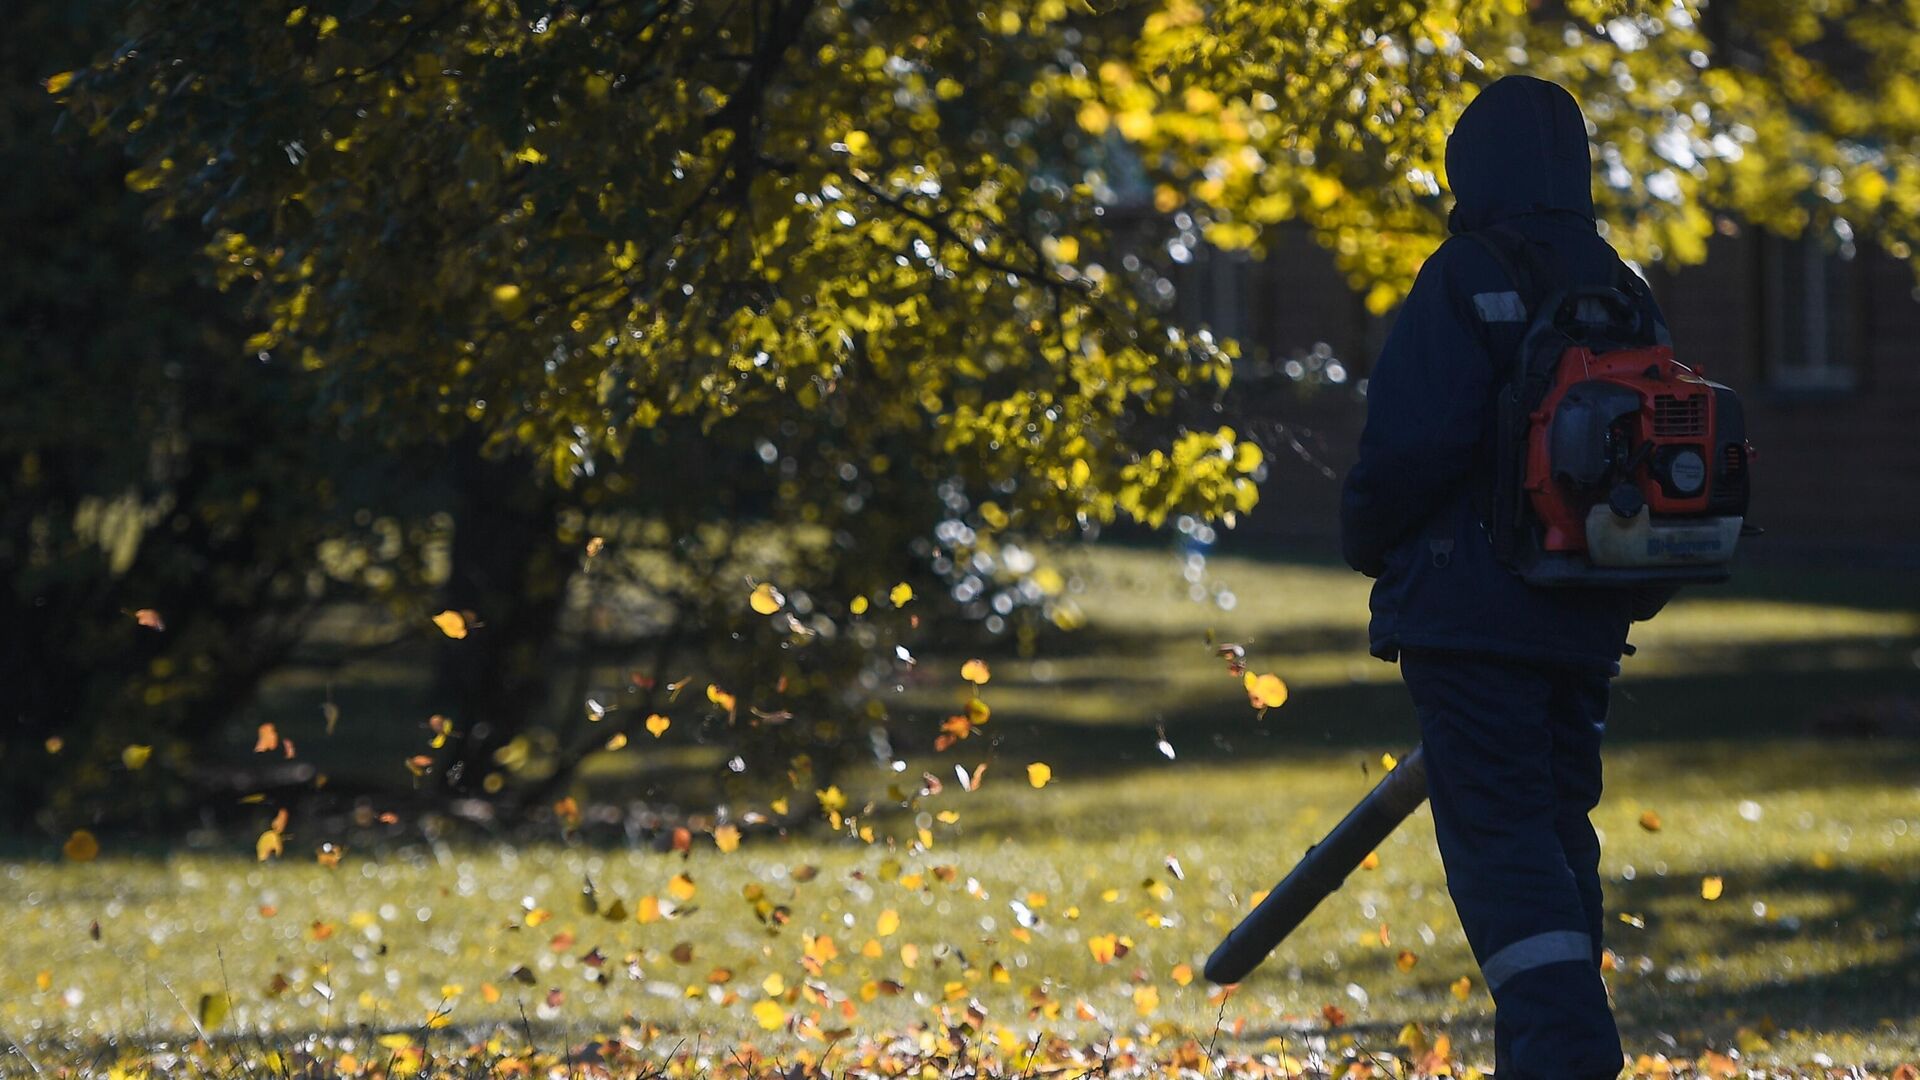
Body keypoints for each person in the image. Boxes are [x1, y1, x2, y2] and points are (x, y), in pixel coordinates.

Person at [1340, 75, 1672, 1080]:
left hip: (1469, 618)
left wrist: (1366, 536)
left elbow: (1411, 443)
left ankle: (1569, 1048)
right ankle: (1542, 1059)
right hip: (1579, 616)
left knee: (1501, 847)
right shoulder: (1620, 287)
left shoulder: (1464, 276)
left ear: (1467, 166)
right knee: (1557, 830)